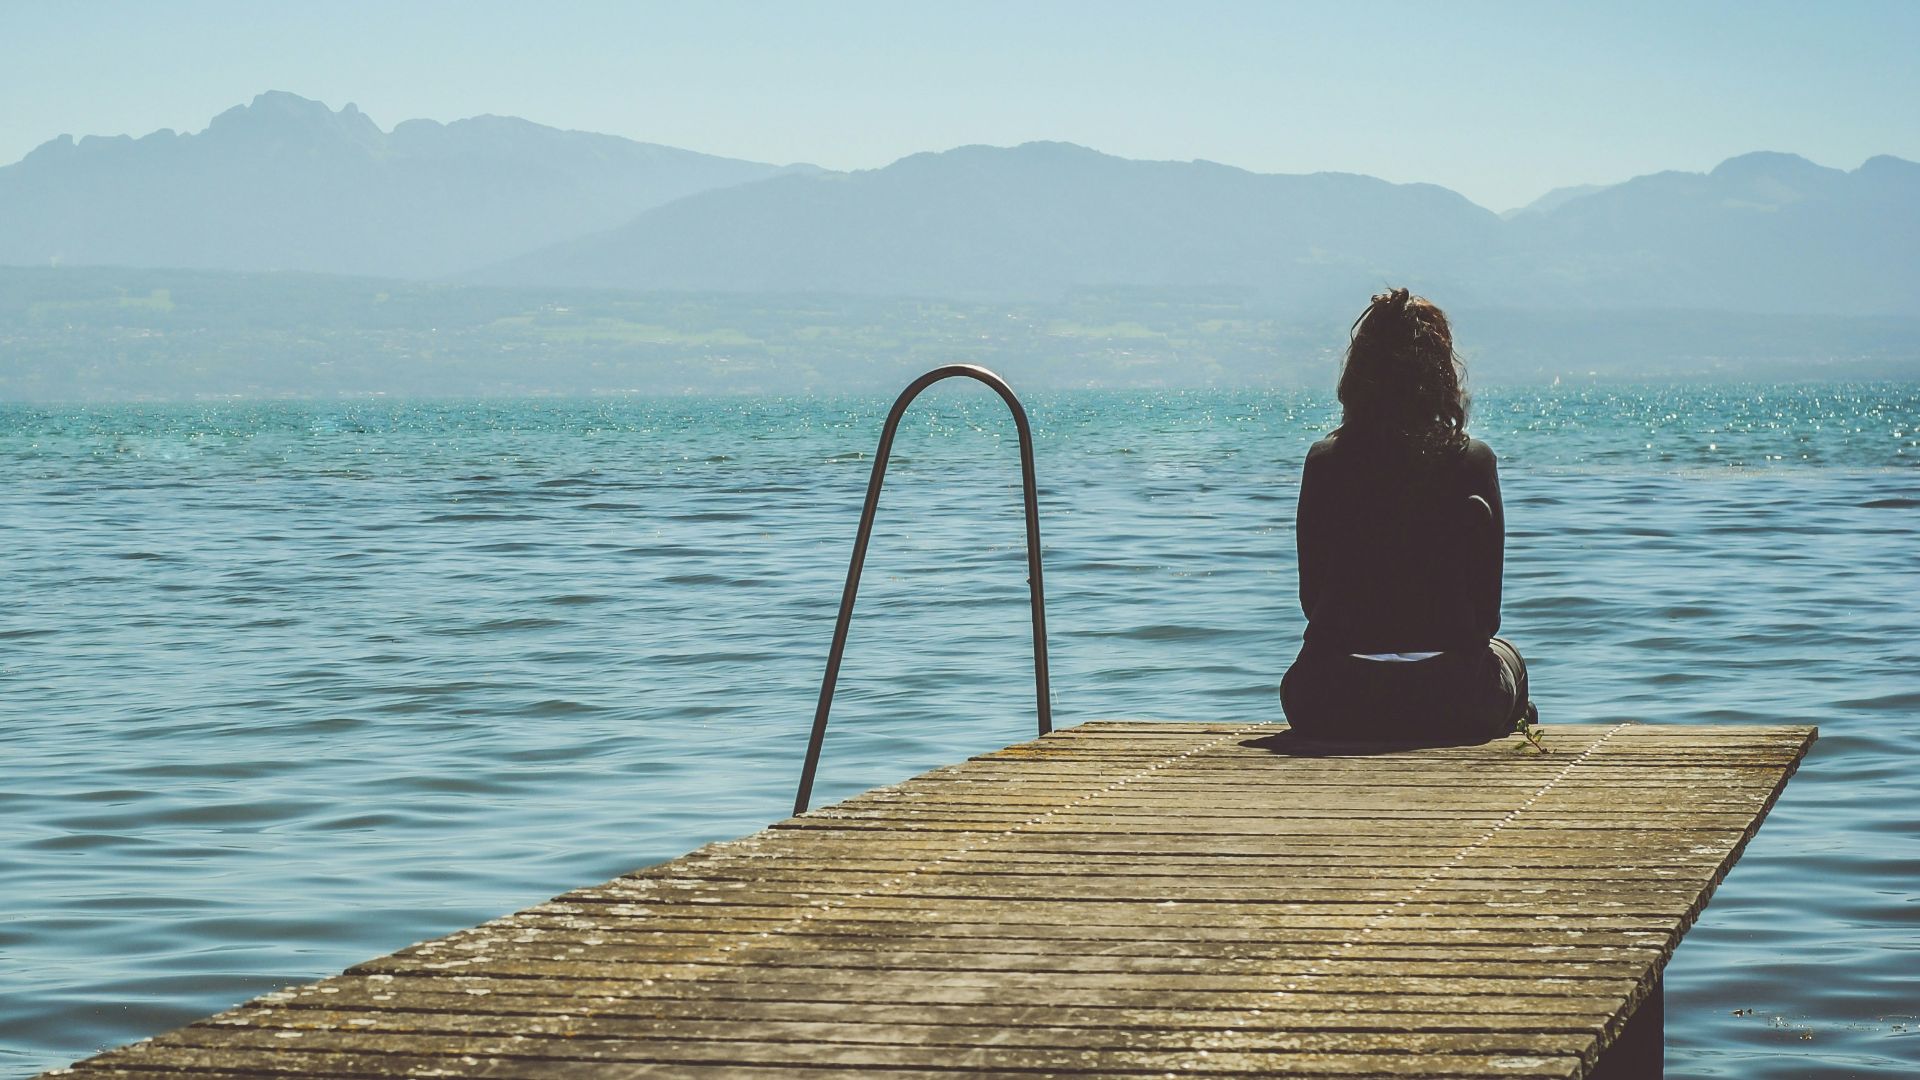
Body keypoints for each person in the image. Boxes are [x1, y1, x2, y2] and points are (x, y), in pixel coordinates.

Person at [1280, 287, 1535, 743]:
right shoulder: (1473, 462)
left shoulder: (1325, 463)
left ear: (1357, 376)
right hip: (1455, 700)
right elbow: (1487, 616)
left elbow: (1311, 600)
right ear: (1442, 376)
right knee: (1508, 656)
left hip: (1332, 697)